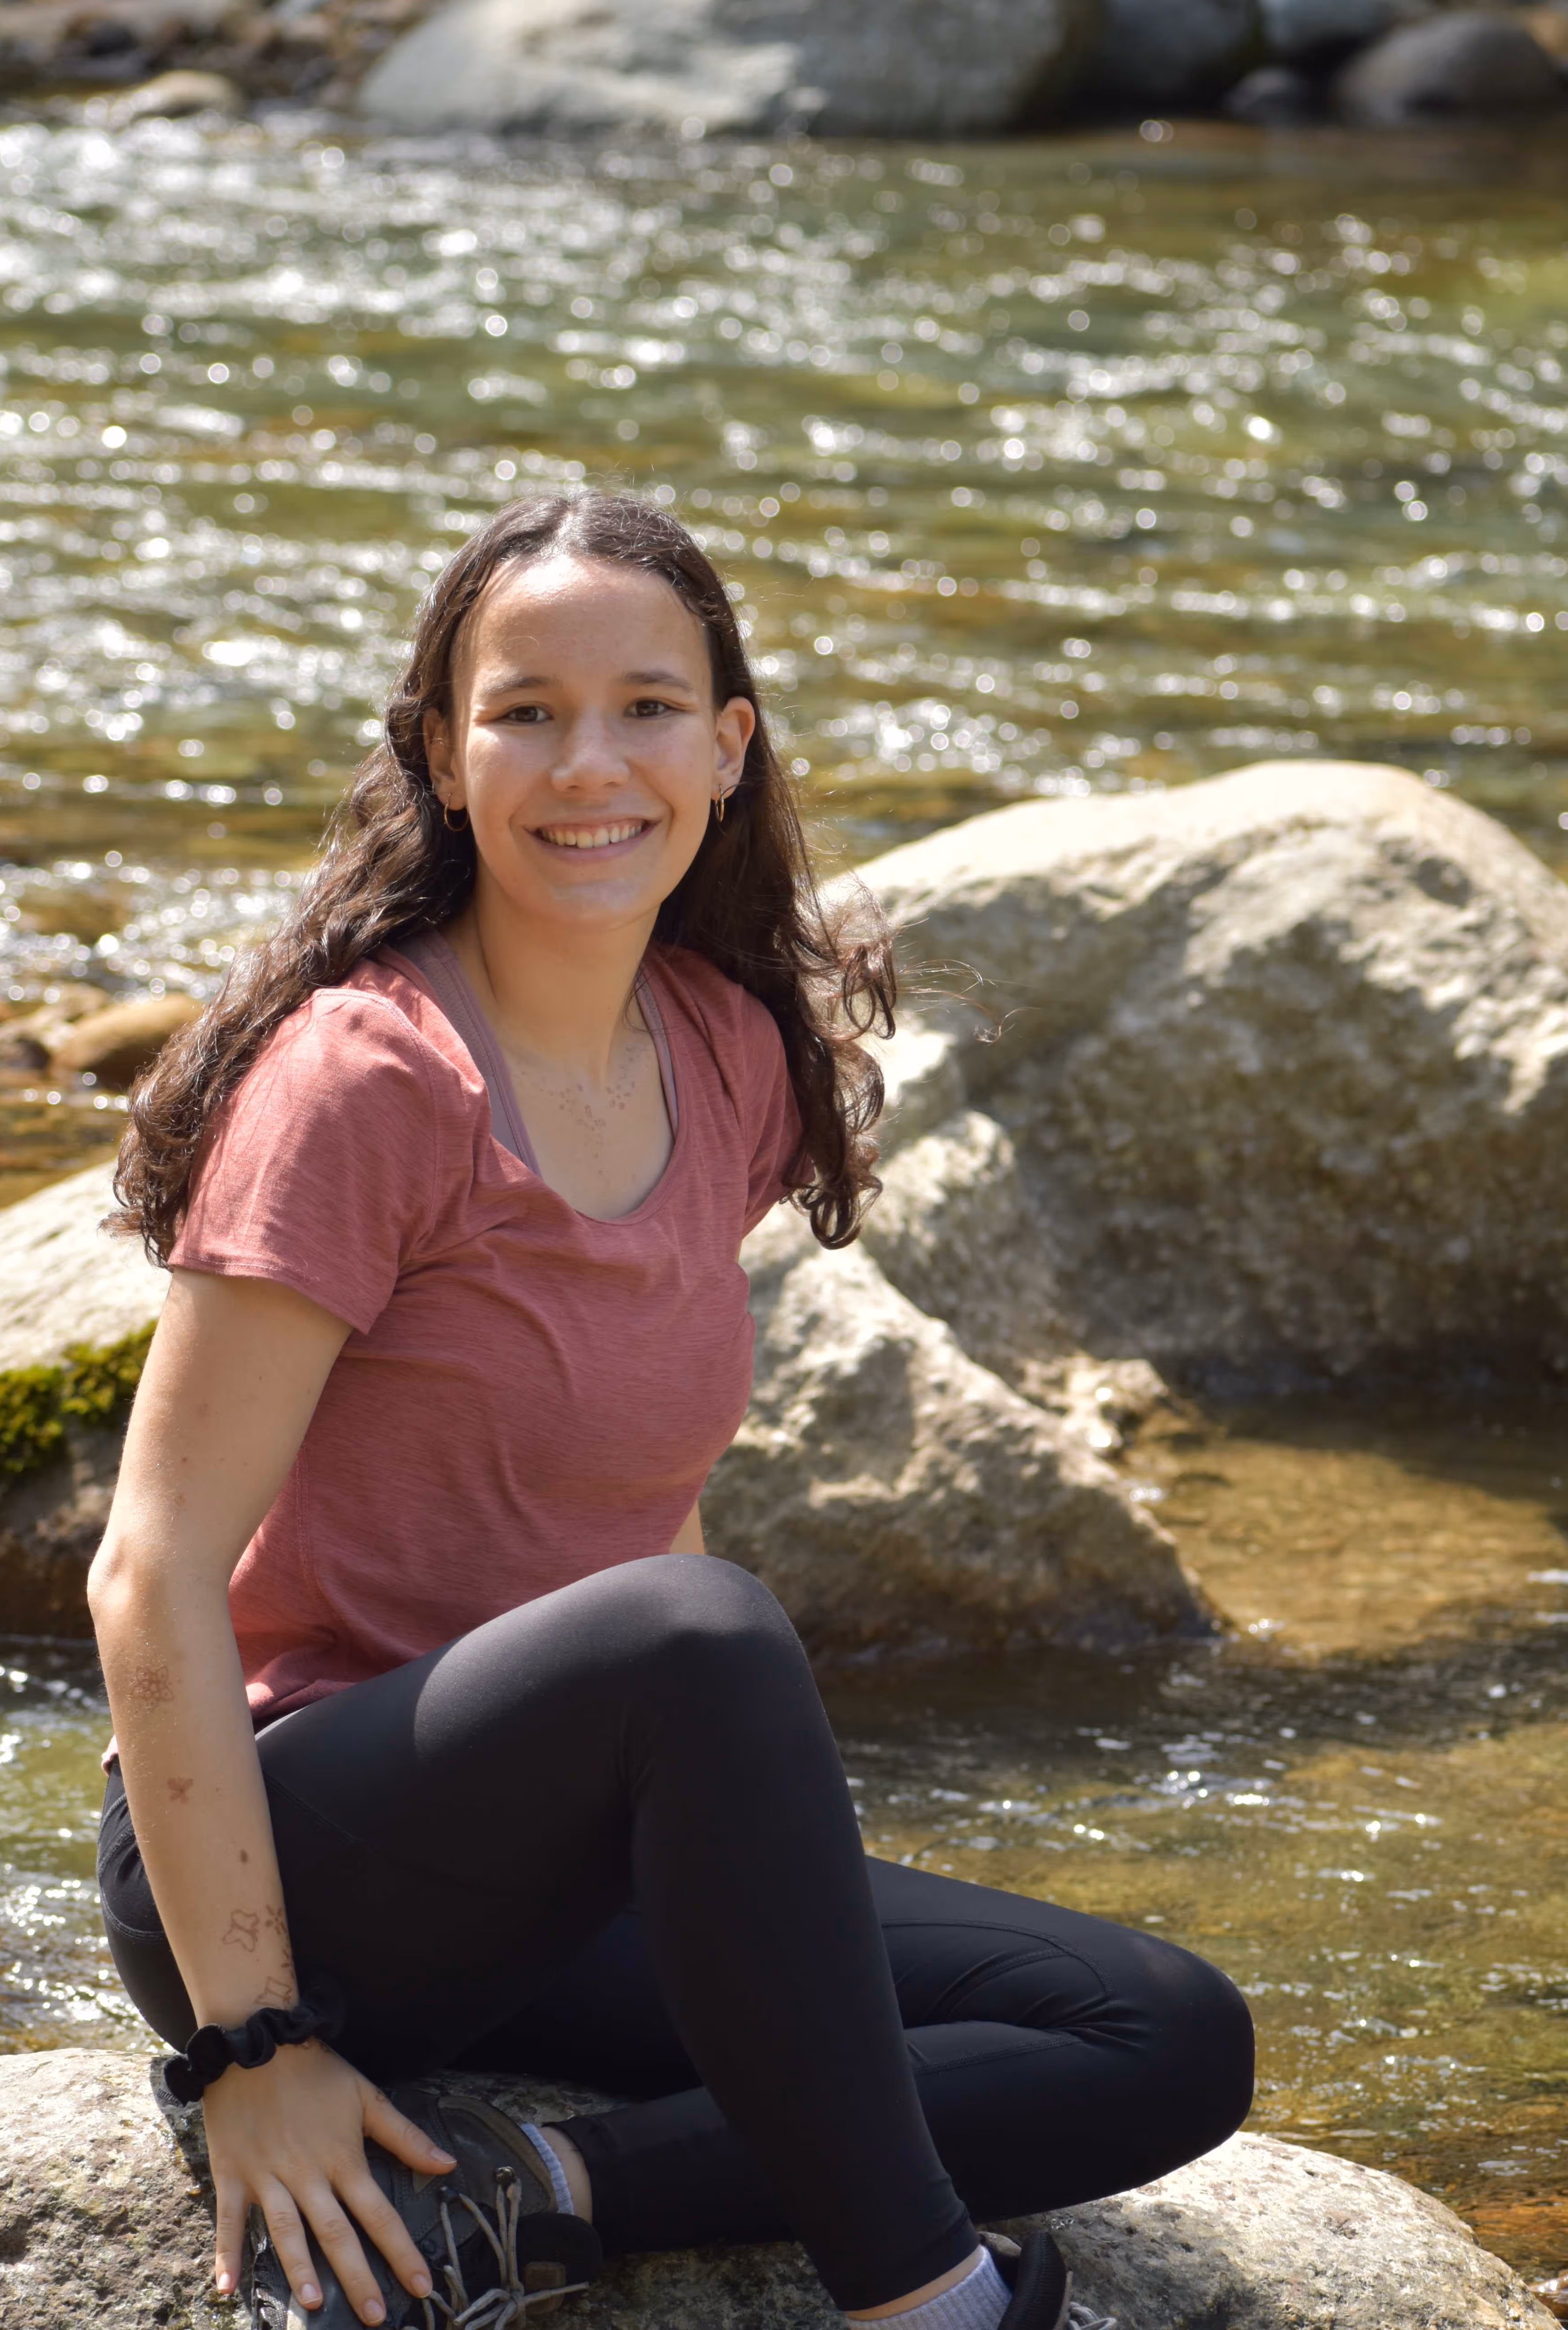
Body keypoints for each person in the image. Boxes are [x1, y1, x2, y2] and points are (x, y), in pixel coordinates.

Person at [90, 490, 1253, 2330]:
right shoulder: (368, 1079)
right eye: (525, 711)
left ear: (728, 747)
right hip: (314, 1865)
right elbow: (146, 1573)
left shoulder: (720, 1048)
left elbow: (634, 1517)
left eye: (645, 706)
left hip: (562, 1876)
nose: (588, 762)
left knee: (1160, 2034)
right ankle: (926, 2301)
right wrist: (255, 2048)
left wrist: (744, 1896)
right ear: (442, 756)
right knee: (701, 1629)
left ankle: (532, 2200)